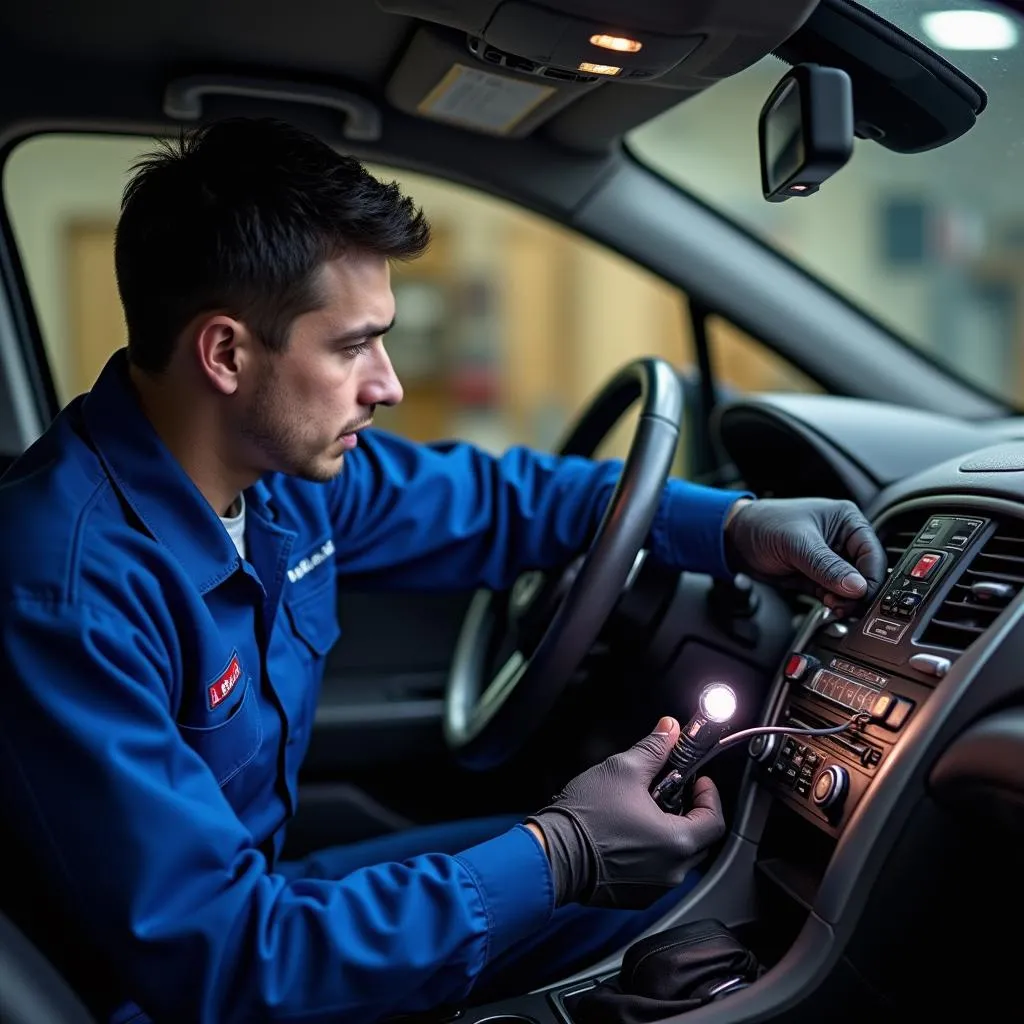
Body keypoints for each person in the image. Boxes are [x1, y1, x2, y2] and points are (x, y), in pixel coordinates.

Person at [0, 117, 886, 1024]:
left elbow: (508, 502)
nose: (385, 383)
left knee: (678, 900)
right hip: (176, 986)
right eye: (352, 346)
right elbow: (222, 959)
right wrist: (563, 852)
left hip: (256, 911)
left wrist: (733, 526)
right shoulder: (64, 591)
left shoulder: (275, 476)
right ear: (225, 353)